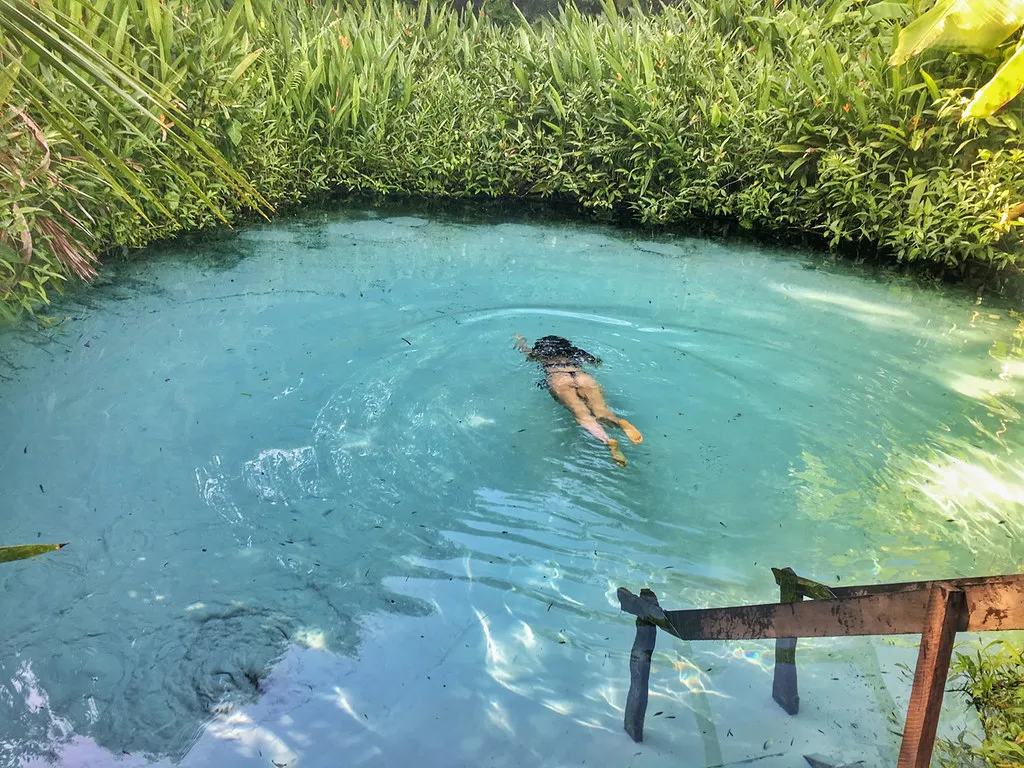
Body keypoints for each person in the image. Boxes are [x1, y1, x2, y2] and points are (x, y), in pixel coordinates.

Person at [514, 334, 643, 466]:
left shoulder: (540, 355)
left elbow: (526, 352)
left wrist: (520, 341)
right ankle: (619, 422)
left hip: (559, 379)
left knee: (581, 413)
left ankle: (607, 440)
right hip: (583, 378)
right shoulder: (575, 353)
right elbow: (597, 363)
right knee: (601, 410)